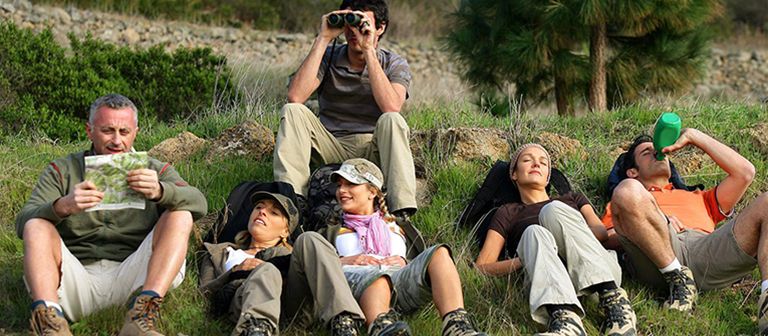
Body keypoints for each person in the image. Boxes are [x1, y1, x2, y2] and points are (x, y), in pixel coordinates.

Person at [15, 94, 207, 335]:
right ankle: (50, 323)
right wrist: (63, 206)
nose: (117, 140)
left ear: (135, 131)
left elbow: (199, 203)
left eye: (124, 132)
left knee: (181, 216)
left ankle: (142, 316)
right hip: (74, 278)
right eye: (107, 131)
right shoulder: (62, 170)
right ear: (90, 130)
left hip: (134, 275)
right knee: (36, 225)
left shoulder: (154, 168)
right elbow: (23, 222)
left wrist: (160, 191)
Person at [604, 130, 767, 331]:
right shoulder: (625, 199)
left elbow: (745, 173)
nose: (657, 151)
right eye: (647, 152)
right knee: (627, 190)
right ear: (632, 171)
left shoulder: (699, 197)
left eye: (658, 149)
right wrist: (660, 222)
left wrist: (693, 136)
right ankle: (678, 279)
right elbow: (610, 238)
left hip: (706, 251)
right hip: (655, 259)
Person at [273, 0, 417, 218]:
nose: (353, 31)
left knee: (392, 120)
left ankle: (401, 211)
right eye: (350, 22)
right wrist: (323, 39)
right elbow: (296, 96)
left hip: (373, 148)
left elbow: (391, 106)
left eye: (362, 23)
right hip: (331, 143)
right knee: (293, 110)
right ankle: (291, 203)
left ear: (380, 27)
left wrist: (369, 50)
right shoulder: (330, 57)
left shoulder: (392, 63)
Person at [475, 144, 637, 336]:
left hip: (597, 272)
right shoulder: (507, 212)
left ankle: (614, 300)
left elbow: (600, 233)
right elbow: (483, 266)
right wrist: (527, 257)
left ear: (548, 177)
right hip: (549, 284)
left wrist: (561, 236)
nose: (536, 163)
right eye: (527, 160)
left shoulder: (572, 199)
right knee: (533, 232)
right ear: (514, 174)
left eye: (543, 162)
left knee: (552, 211)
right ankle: (566, 320)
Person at [320, 158, 486, 336]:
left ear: (372, 192)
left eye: (351, 184)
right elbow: (318, 267)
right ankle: (381, 327)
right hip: (357, 284)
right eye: (340, 185)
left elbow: (420, 262)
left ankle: (456, 326)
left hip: (400, 281)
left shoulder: (399, 226)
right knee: (378, 277)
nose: (342, 191)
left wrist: (404, 260)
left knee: (440, 252)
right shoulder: (331, 230)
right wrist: (342, 261)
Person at [199, 189, 366, 336]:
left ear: (286, 231)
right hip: (243, 306)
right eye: (259, 207)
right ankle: (257, 328)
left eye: (274, 212)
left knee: (310, 238)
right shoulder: (219, 252)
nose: (262, 211)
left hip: (292, 309)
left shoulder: (296, 255)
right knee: (267, 271)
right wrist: (234, 271)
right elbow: (203, 296)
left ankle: (344, 322)